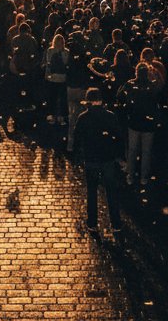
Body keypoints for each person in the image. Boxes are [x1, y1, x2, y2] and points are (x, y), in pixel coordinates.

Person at [73, 87, 123, 239]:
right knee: (111, 192)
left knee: (92, 191)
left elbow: (77, 139)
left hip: (91, 159)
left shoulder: (83, 117)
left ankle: (92, 223)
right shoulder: (110, 116)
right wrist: (118, 156)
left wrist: (77, 158)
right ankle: (116, 224)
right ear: (101, 100)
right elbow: (118, 137)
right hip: (107, 159)